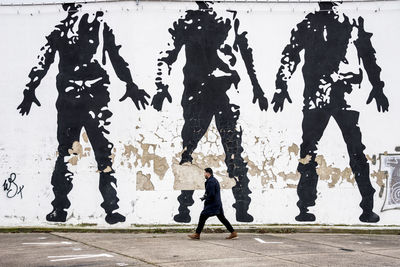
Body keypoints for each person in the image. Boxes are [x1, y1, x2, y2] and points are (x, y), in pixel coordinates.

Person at [17, 3, 149, 224]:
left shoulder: (81, 27)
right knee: (79, 154)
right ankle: (92, 209)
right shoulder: (86, 27)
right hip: (85, 100)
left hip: (84, 99)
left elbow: (45, 61)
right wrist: (30, 89)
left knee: (85, 154)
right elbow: (45, 60)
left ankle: (77, 209)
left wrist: (130, 84)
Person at [152, 0, 268, 223]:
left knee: (231, 151)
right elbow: (167, 55)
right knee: (190, 151)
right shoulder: (188, 20)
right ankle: (185, 208)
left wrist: (257, 87)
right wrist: (160, 86)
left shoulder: (230, 18)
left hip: (224, 93)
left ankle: (241, 207)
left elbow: (245, 52)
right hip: (200, 94)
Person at [272, 1, 388, 223]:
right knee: (310, 152)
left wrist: (378, 87)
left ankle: (365, 206)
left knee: (351, 150)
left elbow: (368, 55)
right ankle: (306, 206)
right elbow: (291, 54)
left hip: (341, 95)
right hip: (320, 96)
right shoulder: (310, 23)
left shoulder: (351, 24)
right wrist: (281, 86)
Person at [188, 168, 238, 240]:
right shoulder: (213, 180)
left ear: (208, 173)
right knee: (222, 218)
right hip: (217, 203)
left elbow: (211, 194)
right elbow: (210, 192)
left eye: (204, 173)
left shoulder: (211, 181)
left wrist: (206, 200)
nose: (204, 174)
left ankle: (197, 234)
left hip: (213, 204)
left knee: (203, 216)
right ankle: (233, 233)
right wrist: (204, 197)